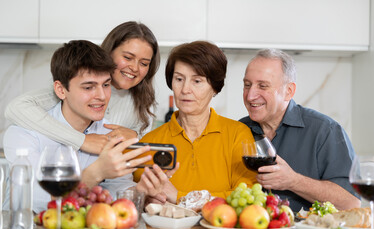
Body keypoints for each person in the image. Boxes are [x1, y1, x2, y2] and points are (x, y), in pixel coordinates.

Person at [3, 40, 151, 213]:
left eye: (106, 84)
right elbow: (38, 200)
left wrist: (143, 191)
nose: (102, 96)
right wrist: (96, 173)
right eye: (88, 87)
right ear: (60, 90)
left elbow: (118, 193)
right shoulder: (24, 133)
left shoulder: (111, 135)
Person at [4, 21, 160, 154]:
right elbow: (15, 108)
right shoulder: (73, 87)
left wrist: (135, 136)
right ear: (109, 53)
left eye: (144, 63)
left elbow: (140, 149)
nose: (134, 67)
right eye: (127, 57)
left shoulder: (145, 102)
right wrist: (82, 140)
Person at [134, 41, 257, 204]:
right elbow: (139, 198)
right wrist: (147, 199)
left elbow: (245, 197)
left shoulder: (238, 135)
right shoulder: (150, 142)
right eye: (179, 79)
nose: (185, 89)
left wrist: (180, 197)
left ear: (214, 87)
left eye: (197, 81)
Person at [239, 48, 360, 212]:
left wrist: (293, 181)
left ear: (289, 91)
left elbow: (351, 203)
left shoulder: (325, 131)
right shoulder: (238, 130)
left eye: (263, 86)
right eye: (247, 85)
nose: (250, 95)